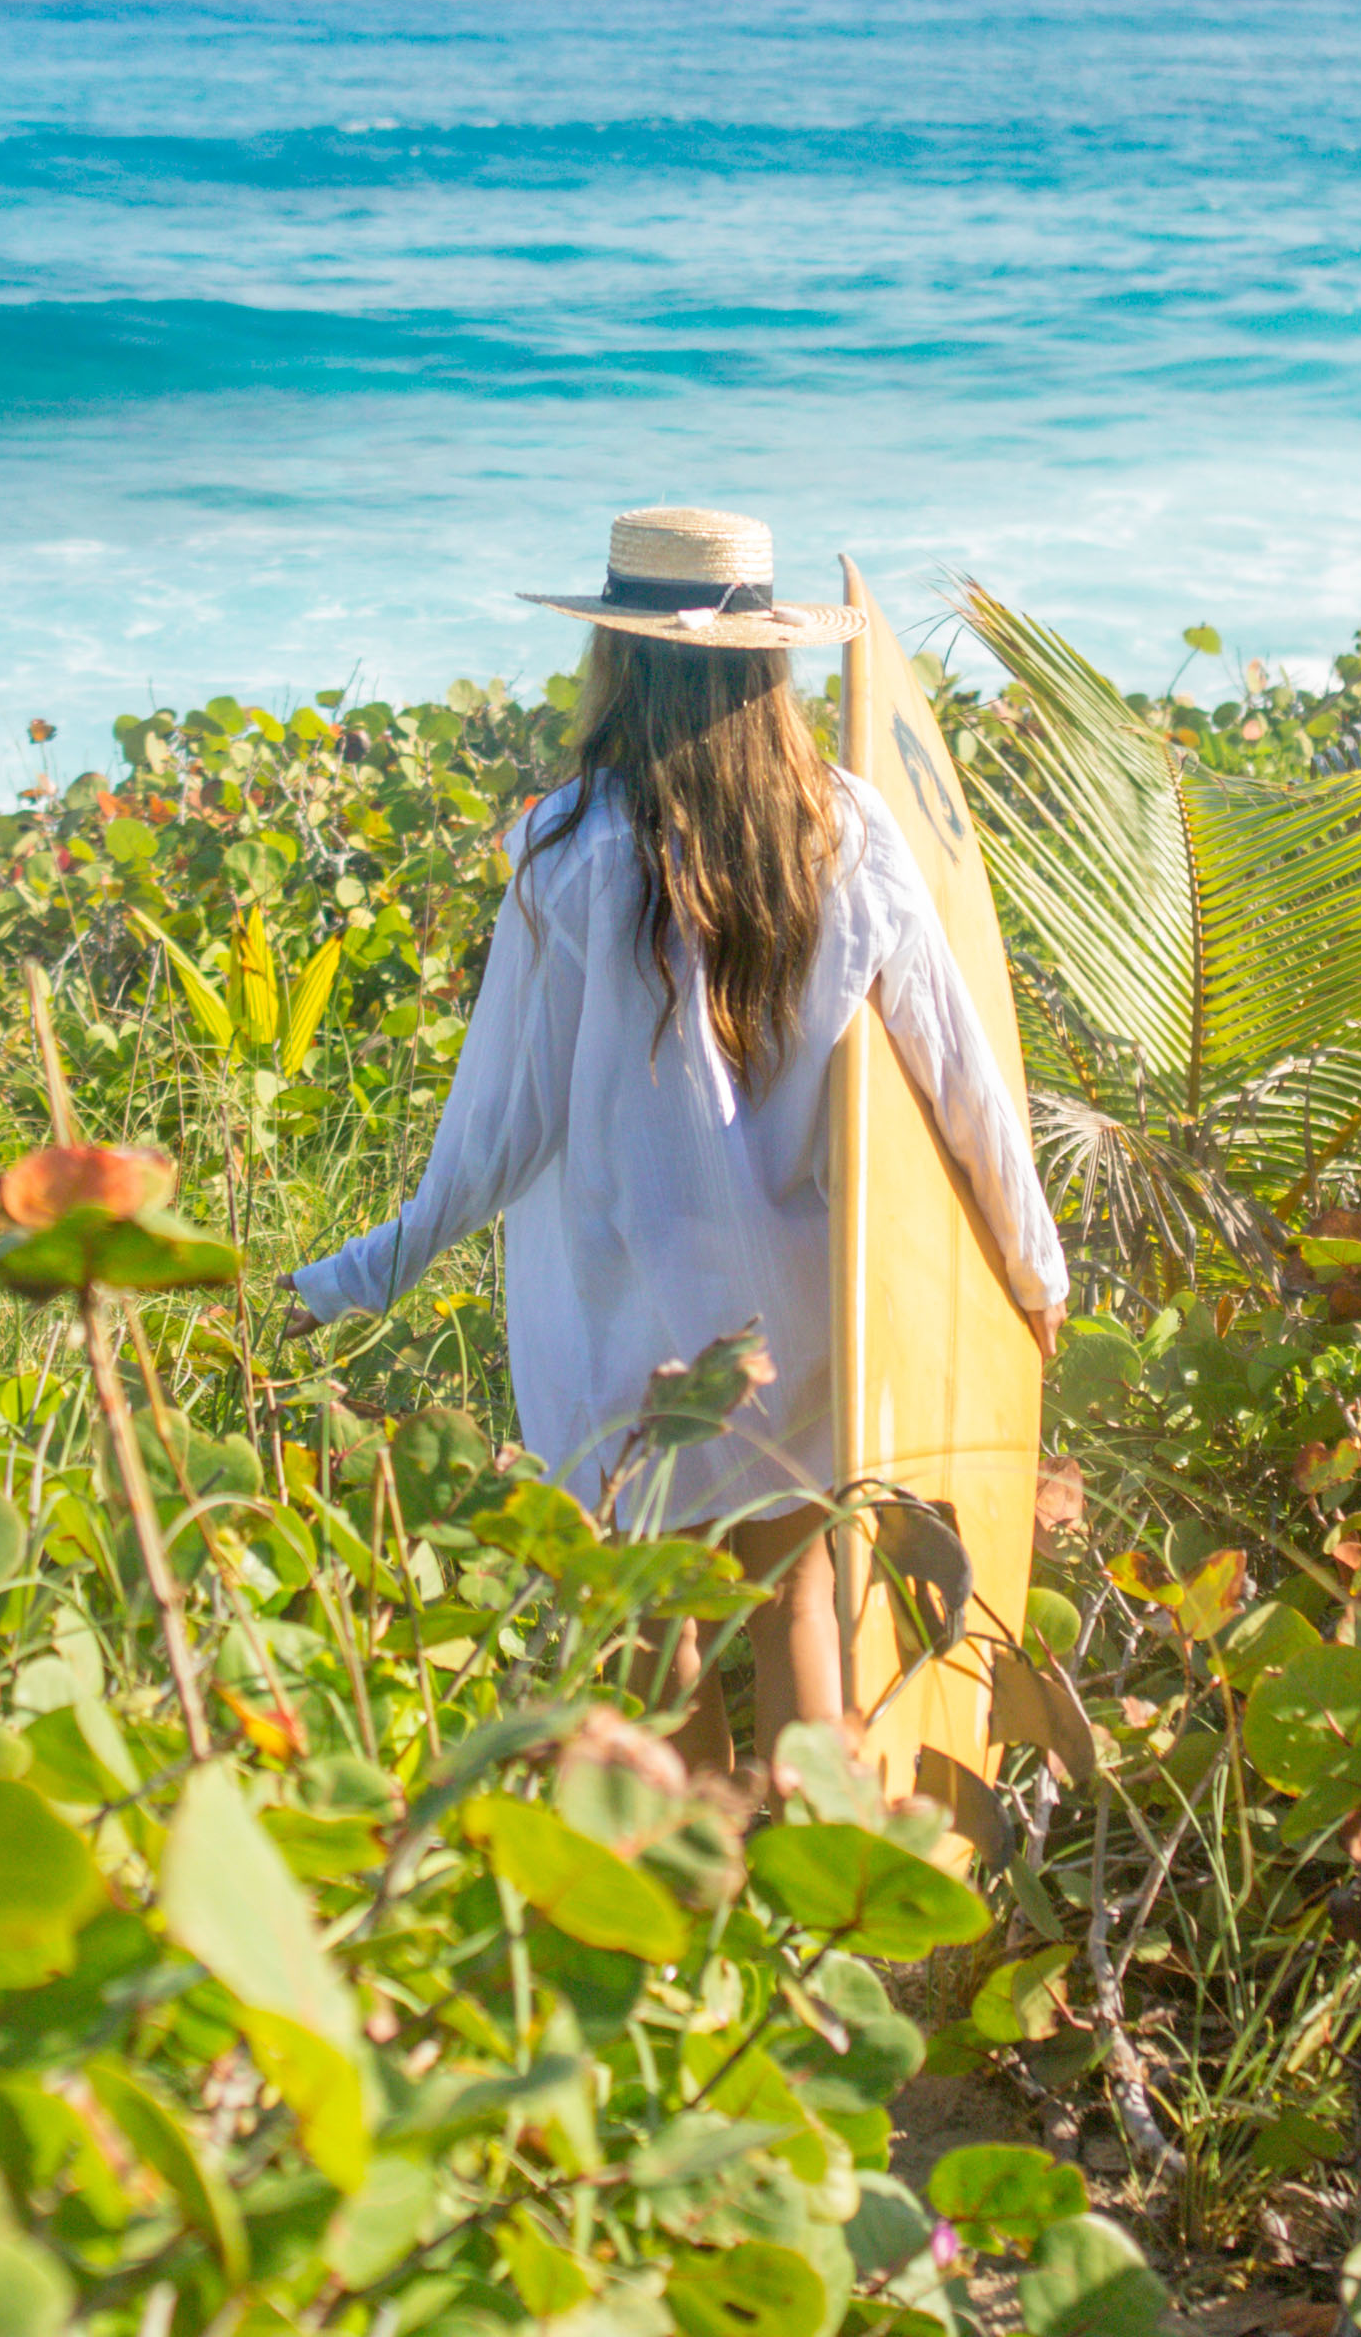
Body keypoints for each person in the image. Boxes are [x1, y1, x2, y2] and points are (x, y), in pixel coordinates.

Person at [281, 504, 1066, 1779]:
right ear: (770, 661)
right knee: (800, 1605)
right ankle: (825, 1866)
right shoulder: (850, 828)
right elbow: (960, 1073)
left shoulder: (569, 851)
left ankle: (695, 1878)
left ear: (616, 657)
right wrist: (1033, 1270)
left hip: (623, 1322)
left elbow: (502, 1124)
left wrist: (360, 1273)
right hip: (798, 1314)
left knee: (654, 1642)